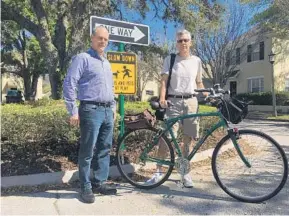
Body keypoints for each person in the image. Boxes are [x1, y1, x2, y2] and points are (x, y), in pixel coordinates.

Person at [147, 29, 208, 187]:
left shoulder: (197, 61)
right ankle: (158, 172)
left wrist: (207, 93)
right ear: (177, 43)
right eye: (180, 41)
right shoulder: (170, 59)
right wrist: (162, 98)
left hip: (191, 102)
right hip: (173, 102)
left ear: (191, 42)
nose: (183, 43)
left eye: (186, 40)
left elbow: (199, 82)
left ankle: (185, 173)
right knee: (165, 138)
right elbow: (163, 81)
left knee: (188, 140)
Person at [63, 26, 117, 204]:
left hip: (107, 110)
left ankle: (99, 182)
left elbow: (111, 87)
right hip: (90, 110)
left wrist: (113, 108)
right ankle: (85, 185)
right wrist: (72, 110)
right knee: (87, 150)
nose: (103, 42)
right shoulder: (83, 58)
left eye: (106, 39)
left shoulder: (106, 62)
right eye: (100, 38)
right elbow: (70, 83)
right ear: (92, 38)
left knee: (104, 148)